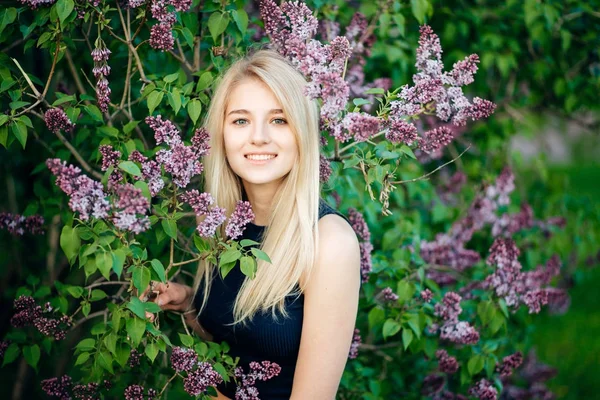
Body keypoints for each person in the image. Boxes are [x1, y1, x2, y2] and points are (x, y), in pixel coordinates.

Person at [144, 49, 361, 399]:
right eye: (241, 121)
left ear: (301, 132)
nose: (258, 137)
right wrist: (189, 303)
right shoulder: (218, 220)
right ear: (222, 135)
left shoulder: (328, 242)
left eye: (279, 120)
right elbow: (234, 346)